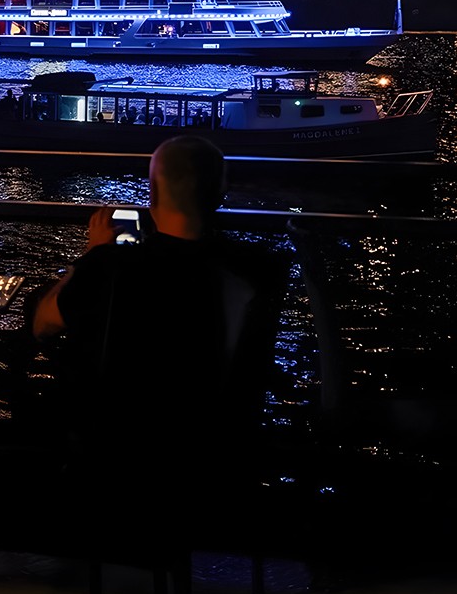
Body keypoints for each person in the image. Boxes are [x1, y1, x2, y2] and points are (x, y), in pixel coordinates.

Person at [29, 135, 285, 497]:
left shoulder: (111, 268)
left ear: (151, 195)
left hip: (116, 458)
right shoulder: (257, 272)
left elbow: (42, 325)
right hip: (218, 462)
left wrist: (90, 256)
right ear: (219, 194)